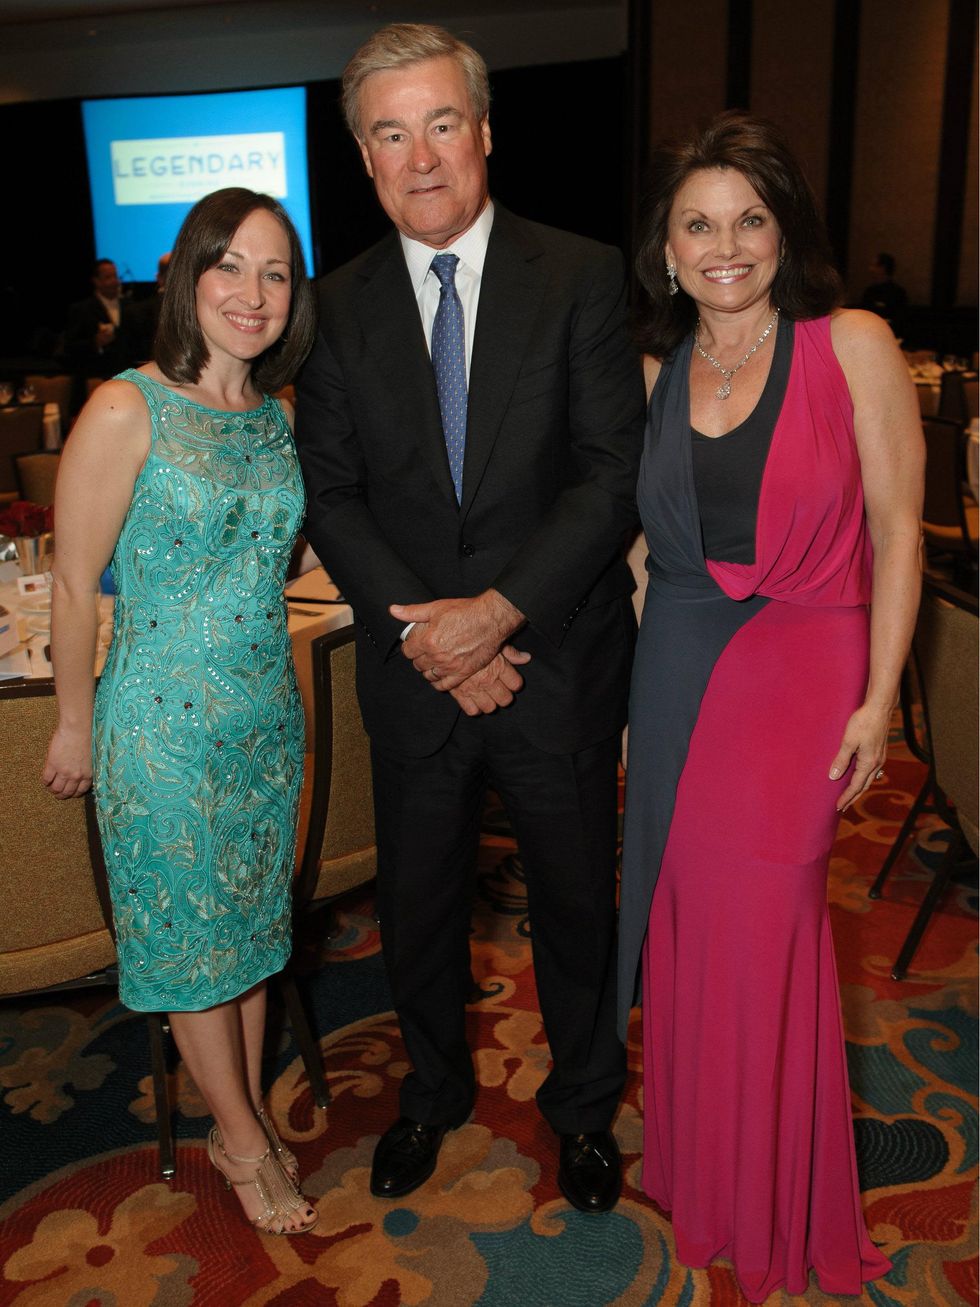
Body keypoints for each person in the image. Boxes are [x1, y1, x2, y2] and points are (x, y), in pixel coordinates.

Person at [295, 23, 644, 1211]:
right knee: (419, 902)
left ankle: (583, 1102)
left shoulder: (582, 274)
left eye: (441, 123)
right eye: (390, 133)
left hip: (553, 659)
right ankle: (431, 1091)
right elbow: (330, 492)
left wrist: (490, 618)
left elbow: (608, 474)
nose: (421, 156)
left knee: (572, 901)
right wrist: (427, 639)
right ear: (363, 155)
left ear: (484, 133)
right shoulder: (333, 309)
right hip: (414, 675)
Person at [618, 111, 923, 1300]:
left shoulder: (849, 341)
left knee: (773, 924)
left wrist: (878, 695)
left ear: (783, 231)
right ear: (665, 248)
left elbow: (896, 529)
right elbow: (648, 558)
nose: (724, 244)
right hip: (678, 675)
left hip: (803, 672)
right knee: (690, 924)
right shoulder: (653, 371)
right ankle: (706, 1173)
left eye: (748, 218)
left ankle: (776, 1188)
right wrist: (642, 708)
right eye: (697, 223)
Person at [42, 188, 319, 1236]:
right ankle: (243, 1142)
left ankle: (230, 1111)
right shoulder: (127, 405)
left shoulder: (281, 416)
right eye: (231, 267)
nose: (252, 294)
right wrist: (74, 720)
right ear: (188, 276)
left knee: (249, 934)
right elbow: (75, 583)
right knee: (196, 940)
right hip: (158, 723)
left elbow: (286, 554)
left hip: (262, 712)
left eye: (275, 274)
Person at [63, 258, 134, 378]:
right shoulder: (82, 310)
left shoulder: (130, 305)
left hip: (129, 377)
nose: (114, 281)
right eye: (108, 277)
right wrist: (96, 342)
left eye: (115, 276)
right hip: (97, 378)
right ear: (96, 281)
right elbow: (70, 348)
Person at [860, 252, 908, 330]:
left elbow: (900, 320)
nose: (870, 269)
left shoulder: (898, 293)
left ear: (883, 268)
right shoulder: (869, 291)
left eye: (874, 265)